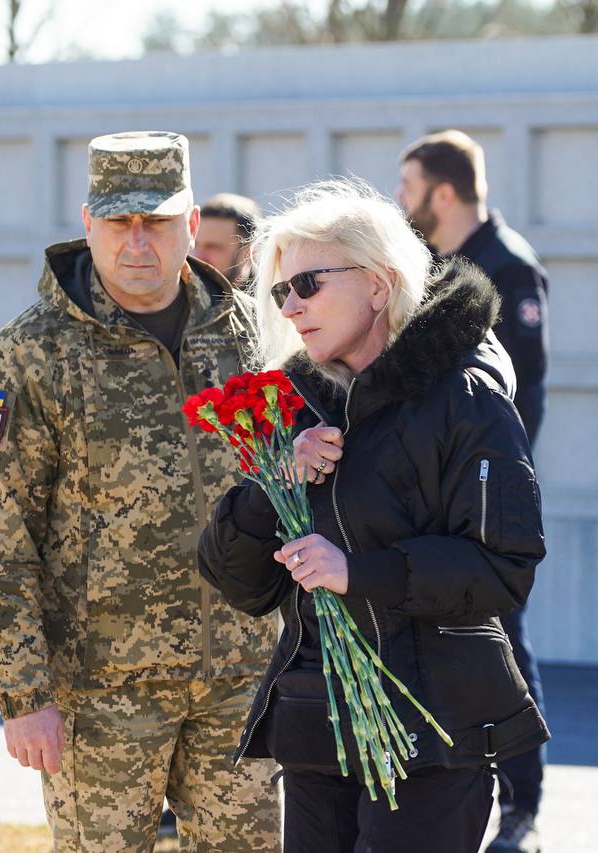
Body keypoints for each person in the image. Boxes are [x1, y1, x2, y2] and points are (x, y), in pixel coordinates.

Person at [198, 179, 549, 853]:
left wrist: (359, 573)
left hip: (434, 730)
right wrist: (273, 483)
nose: (292, 308)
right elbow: (237, 582)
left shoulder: (466, 398)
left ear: (380, 285)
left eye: (309, 284)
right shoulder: (293, 403)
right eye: (280, 292)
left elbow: (504, 568)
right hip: (314, 725)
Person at [0, 131, 279, 853]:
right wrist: (22, 692)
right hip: (99, 691)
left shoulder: (247, 334)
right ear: (88, 222)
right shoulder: (34, 351)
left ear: (191, 226)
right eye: (119, 222)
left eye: (158, 221)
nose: (139, 242)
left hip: (238, 674)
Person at [398, 130, 550, 853]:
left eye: (409, 187)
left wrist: (488, 491)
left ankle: (521, 810)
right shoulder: (425, 269)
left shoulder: (509, 269)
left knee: (501, 646)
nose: (401, 201)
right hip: (428, 500)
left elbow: (520, 402)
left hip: (486, 502)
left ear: (445, 192)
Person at [193, 193, 261, 287]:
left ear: (247, 253)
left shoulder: (278, 298)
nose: (198, 257)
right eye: (195, 245)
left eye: (212, 247)